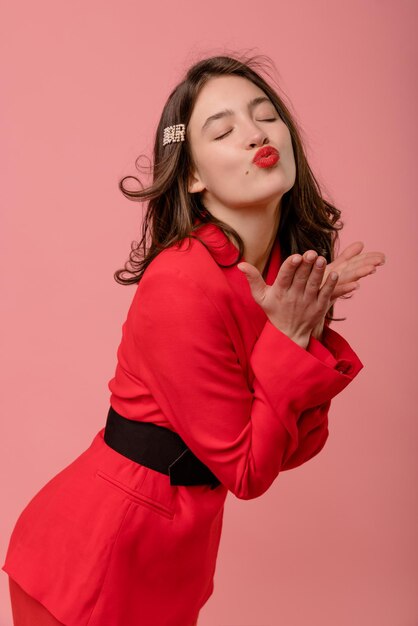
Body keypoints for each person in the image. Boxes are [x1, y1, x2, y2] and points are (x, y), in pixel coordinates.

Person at [2, 53, 385, 626]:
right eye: (224, 129)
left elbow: (293, 448)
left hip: (173, 547)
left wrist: (305, 325)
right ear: (191, 176)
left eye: (266, 116)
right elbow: (250, 471)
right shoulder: (181, 280)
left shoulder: (272, 273)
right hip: (94, 560)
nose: (256, 132)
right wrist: (291, 334)